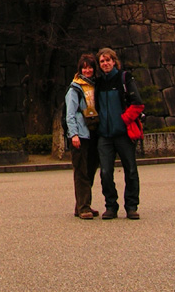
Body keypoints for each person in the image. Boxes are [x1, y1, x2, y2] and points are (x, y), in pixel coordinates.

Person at [95, 47, 144, 220]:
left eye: (108, 60)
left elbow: (137, 103)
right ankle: (111, 205)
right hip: (104, 134)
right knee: (105, 172)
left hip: (123, 133)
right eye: (102, 61)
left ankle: (131, 206)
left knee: (130, 170)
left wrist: (123, 120)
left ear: (114, 61)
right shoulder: (98, 83)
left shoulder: (124, 78)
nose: (105, 63)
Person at [65, 53, 100, 219]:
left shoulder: (95, 86)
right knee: (81, 171)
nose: (87, 70)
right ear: (80, 69)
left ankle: (82, 204)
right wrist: (74, 134)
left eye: (90, 67)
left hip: (94, 132)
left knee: (90, 169)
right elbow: (70, 114)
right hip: (80, 134)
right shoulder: (75, 89)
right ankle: (83, 207)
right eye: (84, 67)